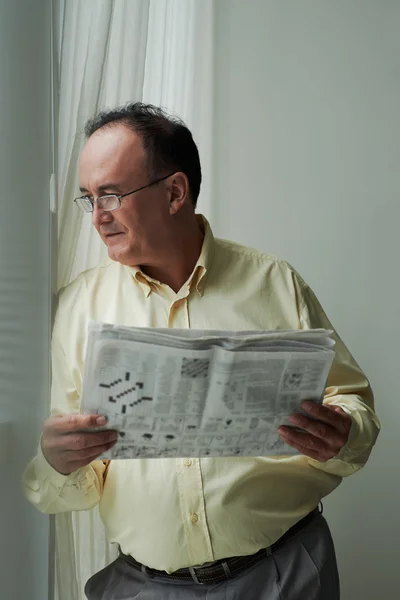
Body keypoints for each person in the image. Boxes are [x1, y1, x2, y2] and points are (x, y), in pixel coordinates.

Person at [23, 103, 380, 600]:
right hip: (142, 587)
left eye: (111, 194)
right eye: (89, 198)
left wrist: (342, 432)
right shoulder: (77, 308)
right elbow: (70, 484)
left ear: (174, 192)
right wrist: (58, 460)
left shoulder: (274, 283)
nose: (97, 217)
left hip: (286, 574)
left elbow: (353, 406)